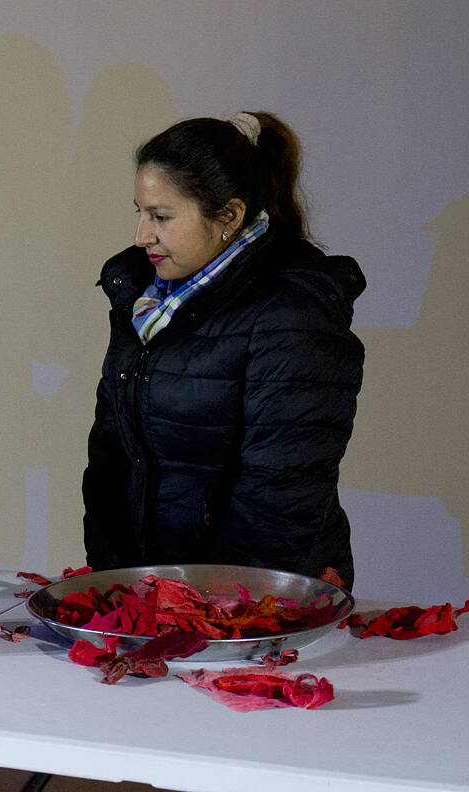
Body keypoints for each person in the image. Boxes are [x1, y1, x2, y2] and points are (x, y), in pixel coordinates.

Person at [82, 111, 364, 588]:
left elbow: (280, 495)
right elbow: (112, 455)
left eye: (162, 217)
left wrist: (206, 604)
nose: (141, 235)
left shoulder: (292, 316)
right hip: (160, 591)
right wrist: (114, 580)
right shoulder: (142, 299)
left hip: (254, 601)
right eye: (141, 212)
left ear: (230, 216)